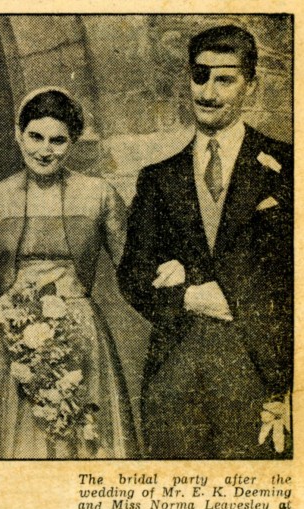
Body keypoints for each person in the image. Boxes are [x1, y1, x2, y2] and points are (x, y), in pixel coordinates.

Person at [117, 25, 292, 459]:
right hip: (176, 380)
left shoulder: (288, 165)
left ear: (251, 86)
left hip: (260, 373)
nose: (208, 92)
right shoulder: (158, 178)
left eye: (224, 79)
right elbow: (133, 275)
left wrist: (221, 289)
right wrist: (191, 296)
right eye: (200, 76)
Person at [0, 87, 138, 458]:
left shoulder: (99, 195)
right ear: (18, 134)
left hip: (80, 334)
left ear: (72, 142)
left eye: (58, 141)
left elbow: (134, 266)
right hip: (11, 337)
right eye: (35, 137)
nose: (45, 150)